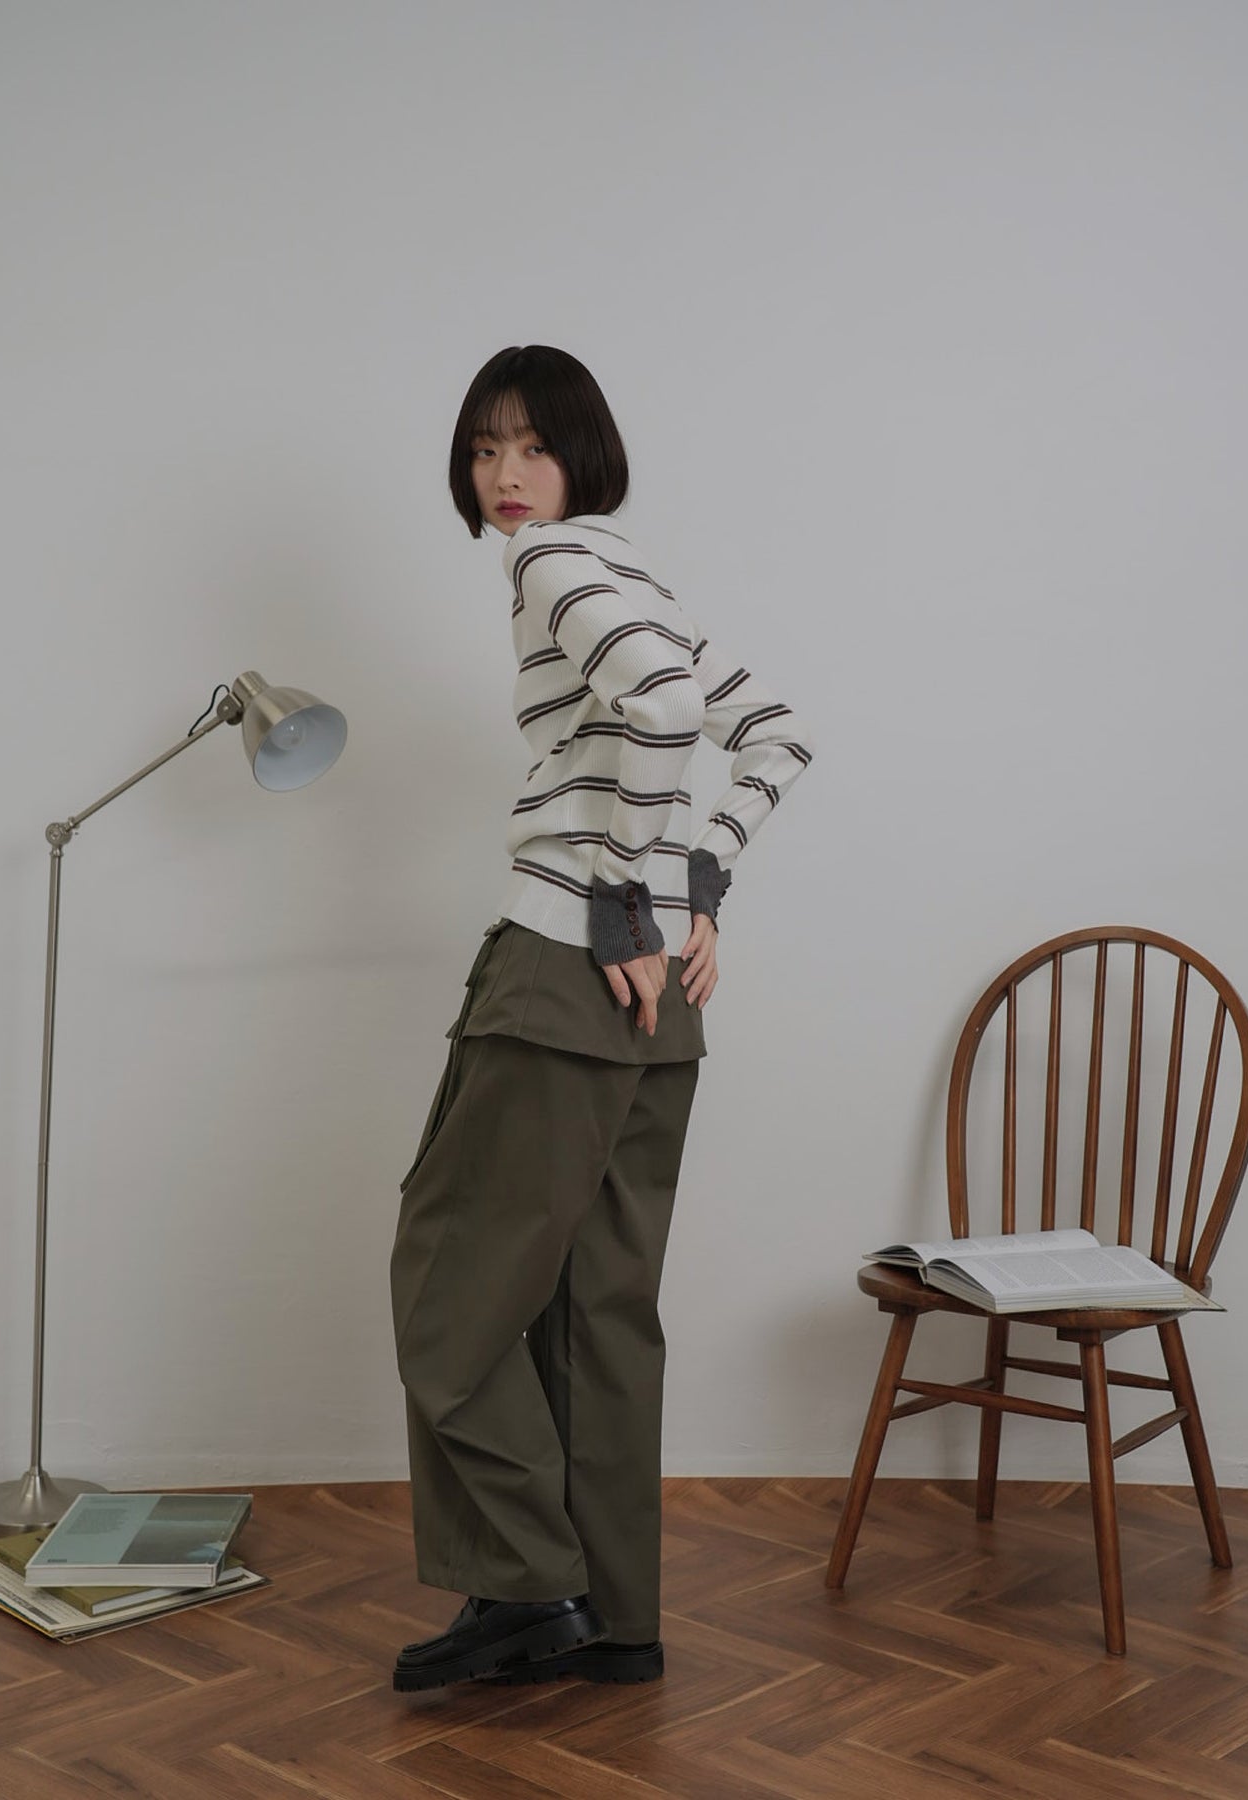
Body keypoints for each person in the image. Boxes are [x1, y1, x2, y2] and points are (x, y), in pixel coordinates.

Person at [390, 345, 814, 1692]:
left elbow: (669, 710)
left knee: (450, 1290)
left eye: (531, 445)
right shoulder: (640, 577)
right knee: (601, 1312)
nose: (505, 477)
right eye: (483, 449)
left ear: (581, 452)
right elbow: (773, 735)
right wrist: (694, 891)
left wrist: (633, 900)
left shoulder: (553, 562)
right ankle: (617, 1618)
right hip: (659, 1004)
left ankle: (530, 1587)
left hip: (567, 970)